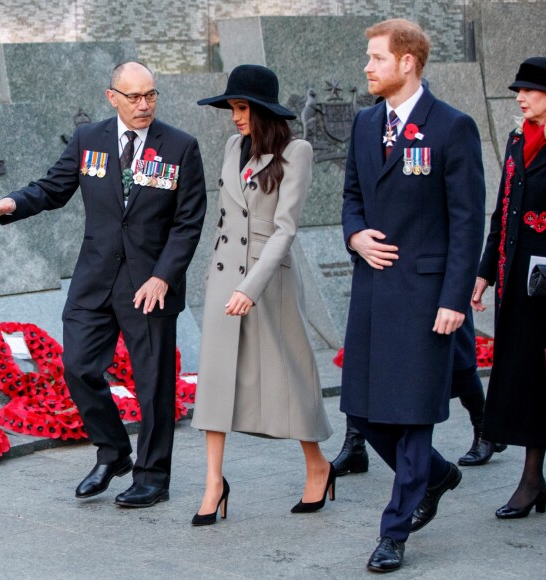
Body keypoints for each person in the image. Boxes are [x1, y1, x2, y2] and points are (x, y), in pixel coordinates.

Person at [0, 61, 207, 508]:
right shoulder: (89, 141)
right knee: (79, 367)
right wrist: (13, 202)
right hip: (95, 281)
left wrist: (163, 276)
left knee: (153, 386)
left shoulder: (180, 146)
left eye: (151, 95)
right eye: (134, 97)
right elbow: (52, 188)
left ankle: (152, 476)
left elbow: (188, 222)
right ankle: (114, 451)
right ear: (112, 97)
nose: (144, 105)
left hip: (149, 287)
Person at [341, 19, 485, 572]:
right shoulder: (363, 123)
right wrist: (354, 234)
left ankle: (393, 531)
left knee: (414, 413)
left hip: (428, 299)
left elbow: (467, 221)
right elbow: (352, 197)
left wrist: (454, 299)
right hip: (374, 292)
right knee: (366, 409)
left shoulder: (453, 127)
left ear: (408, 62)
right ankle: (438, 473)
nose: (367, 67)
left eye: (377, 58)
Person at [192, 64, 333, 526]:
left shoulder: (298, 151)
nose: (234, 117)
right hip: (221, 276)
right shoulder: (234, 147)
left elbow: (284, 231)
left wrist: (250, 288)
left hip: (267, 282)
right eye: (232, 107)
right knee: (214, 380)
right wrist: (223, 285)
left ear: (263, 111)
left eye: (241, 108)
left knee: (288, 378)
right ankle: (214, 483)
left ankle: (317, 465)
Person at [472, 56, 546, 519]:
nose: (519, 97)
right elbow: (503, 212)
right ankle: (533, 477)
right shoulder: (519, 139)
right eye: (518, 89)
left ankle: (532, 480)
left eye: (529, 90)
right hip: (519, 286)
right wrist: (484, 273)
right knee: (525, 379)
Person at [332, 309, 507, 474]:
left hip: (434, 286)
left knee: (456, 354)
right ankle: (354, 444)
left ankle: (485, 431)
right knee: (368, 352)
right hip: (387, 285)